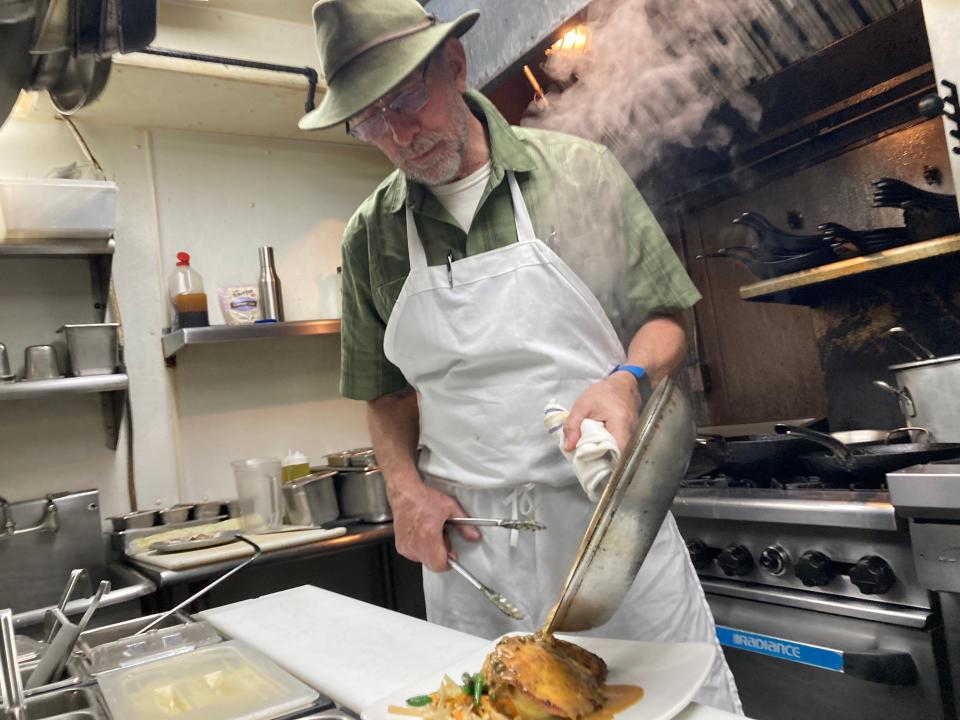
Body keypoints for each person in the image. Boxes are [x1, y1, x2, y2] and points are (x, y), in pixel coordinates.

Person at [299, 0, 741, 714]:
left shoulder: (578, 173)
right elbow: (384, 394)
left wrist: (626, 381)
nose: (399, 135)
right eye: (370, 120)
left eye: (406, 100)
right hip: (474, 552)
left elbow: (664, 319)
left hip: (609, 535)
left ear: (455, 65)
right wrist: (405, 489)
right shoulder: (369, 236)